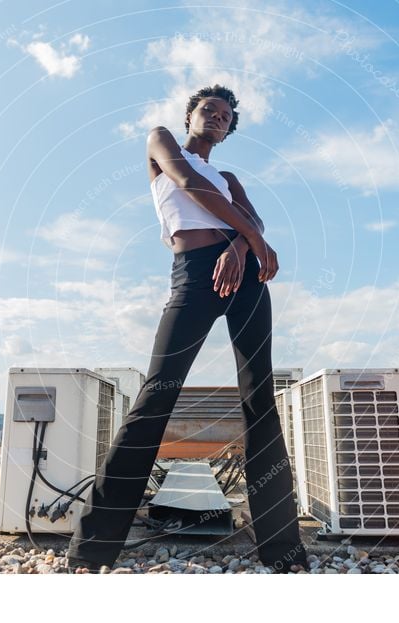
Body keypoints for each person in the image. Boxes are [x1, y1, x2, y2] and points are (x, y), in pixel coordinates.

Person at [65, 84, 308, 574]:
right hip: (195, 276)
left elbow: (250, 219)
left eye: (225, 116)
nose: (217, 117)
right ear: (190, 116)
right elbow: (186, 184)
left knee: (260, 400)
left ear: (229, 128)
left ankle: (283, 551)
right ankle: (91, 551)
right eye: (209, 110)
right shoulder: (163, 144)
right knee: (158, 395)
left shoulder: (230, 177)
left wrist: (241, 249)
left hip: (245, 281)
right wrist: (251, 239)